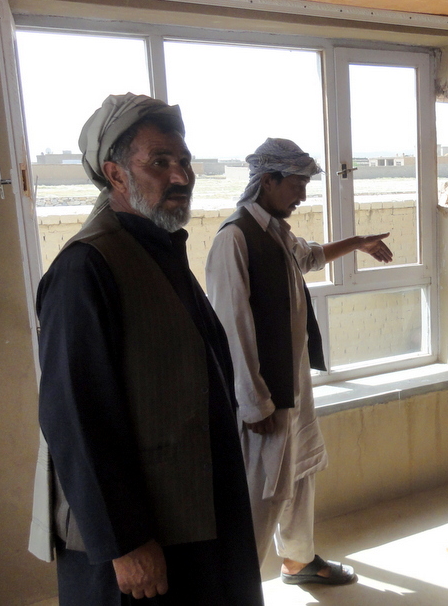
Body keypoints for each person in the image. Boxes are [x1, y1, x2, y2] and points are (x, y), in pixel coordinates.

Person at [33, 93, 262, 605]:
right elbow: (75, 416)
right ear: (115, 175)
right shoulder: (86, 267)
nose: (181, 176)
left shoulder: (157, 249)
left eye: (183, 160)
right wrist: (126, 542)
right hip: (138, 545)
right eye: (159, 162)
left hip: (193, 519)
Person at [205, 138, 392, 586]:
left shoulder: (276, 233)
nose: (302, 195)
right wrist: (255, 405)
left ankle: (298, 560)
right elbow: (232, 328)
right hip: (264, 398)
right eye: (296, 184)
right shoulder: (234, 238)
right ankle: (236, 586)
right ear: (267, 180)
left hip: (292, 386)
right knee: (261, 494)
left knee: (300, 472)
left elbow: (309, 257)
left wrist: (358, 243)